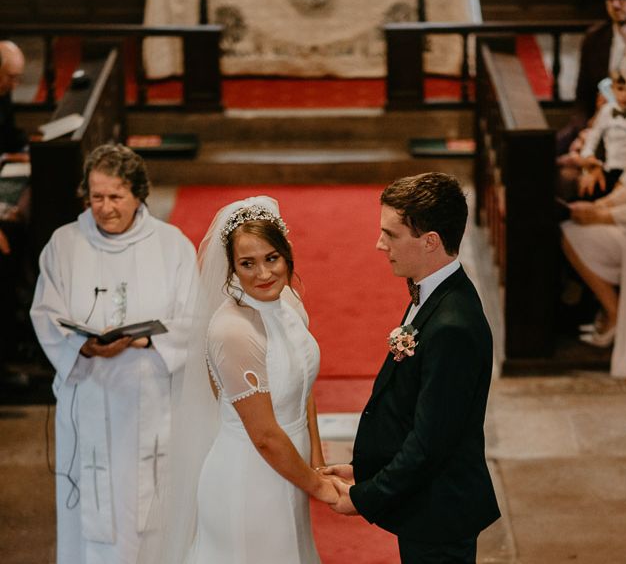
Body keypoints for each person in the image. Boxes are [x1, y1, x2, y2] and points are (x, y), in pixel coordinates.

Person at [139, 196, 335, 564]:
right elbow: (263, 436)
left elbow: (303, 388)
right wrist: (319, 487)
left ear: (286, 254)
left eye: (271, 258)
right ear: (231, 267)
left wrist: (317, 461)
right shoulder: (233, 331)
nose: (263, 274)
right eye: (248, 263)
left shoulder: (288, 304)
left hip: (290, 467)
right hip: (250, 478)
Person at [30, 144, 199, 564]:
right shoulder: (64, 243)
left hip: (149, 396)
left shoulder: (171, 245)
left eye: (115, 196)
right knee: (91, 509)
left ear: (139, 193)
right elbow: (45, 312)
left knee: (151, 508)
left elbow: (194, 318)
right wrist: (80, 344)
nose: (104, 208)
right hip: (88, 393)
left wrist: (146, 340)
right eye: (96, 196)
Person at [323, 173, 500, 564]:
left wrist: (365, 496)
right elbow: (413, 408)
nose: (379, 244)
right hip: (427, 501)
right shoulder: (433, 291)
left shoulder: (452, 326)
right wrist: (364, 468)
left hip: (440, 511)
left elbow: (430, 442)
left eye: (391, 234)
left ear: (430, 240)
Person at [561, 42, 626, 377]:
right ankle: (611, 313)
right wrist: (597, 205)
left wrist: (598, 215)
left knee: (571, 232)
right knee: (569, 226)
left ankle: (616, 312)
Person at [558, 0, 626, 153]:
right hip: (598, 120)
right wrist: (584, 128)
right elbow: (582, 97)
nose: (615, 5)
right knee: (542, 150)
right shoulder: (595, 37)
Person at [558, 70, 626, 200]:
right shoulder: (606, 111)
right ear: (612, 90)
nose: (625, 95)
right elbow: (593, 137)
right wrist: (589, 156)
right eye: (620, 89)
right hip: (607, 167)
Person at [0, 40, 28, 159]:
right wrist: (6, 157)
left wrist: (34, 143)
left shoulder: (4, 91)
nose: (14, 85)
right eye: (11, 77)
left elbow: (8, 133)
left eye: (17, 78)